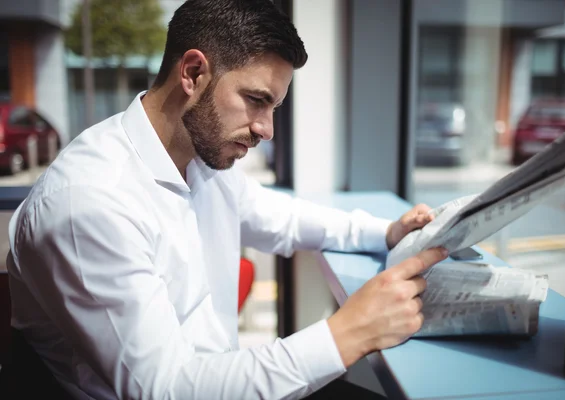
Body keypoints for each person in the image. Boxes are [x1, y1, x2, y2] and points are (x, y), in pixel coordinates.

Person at [3, 0, 448, 398]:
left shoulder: (199, 156)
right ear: (193, 73)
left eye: (273, 108)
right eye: (256, 100)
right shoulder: (90, 204)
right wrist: (346, 334)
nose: (266, 130)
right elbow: (166, 389)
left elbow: (277, 216)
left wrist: (384, 232)